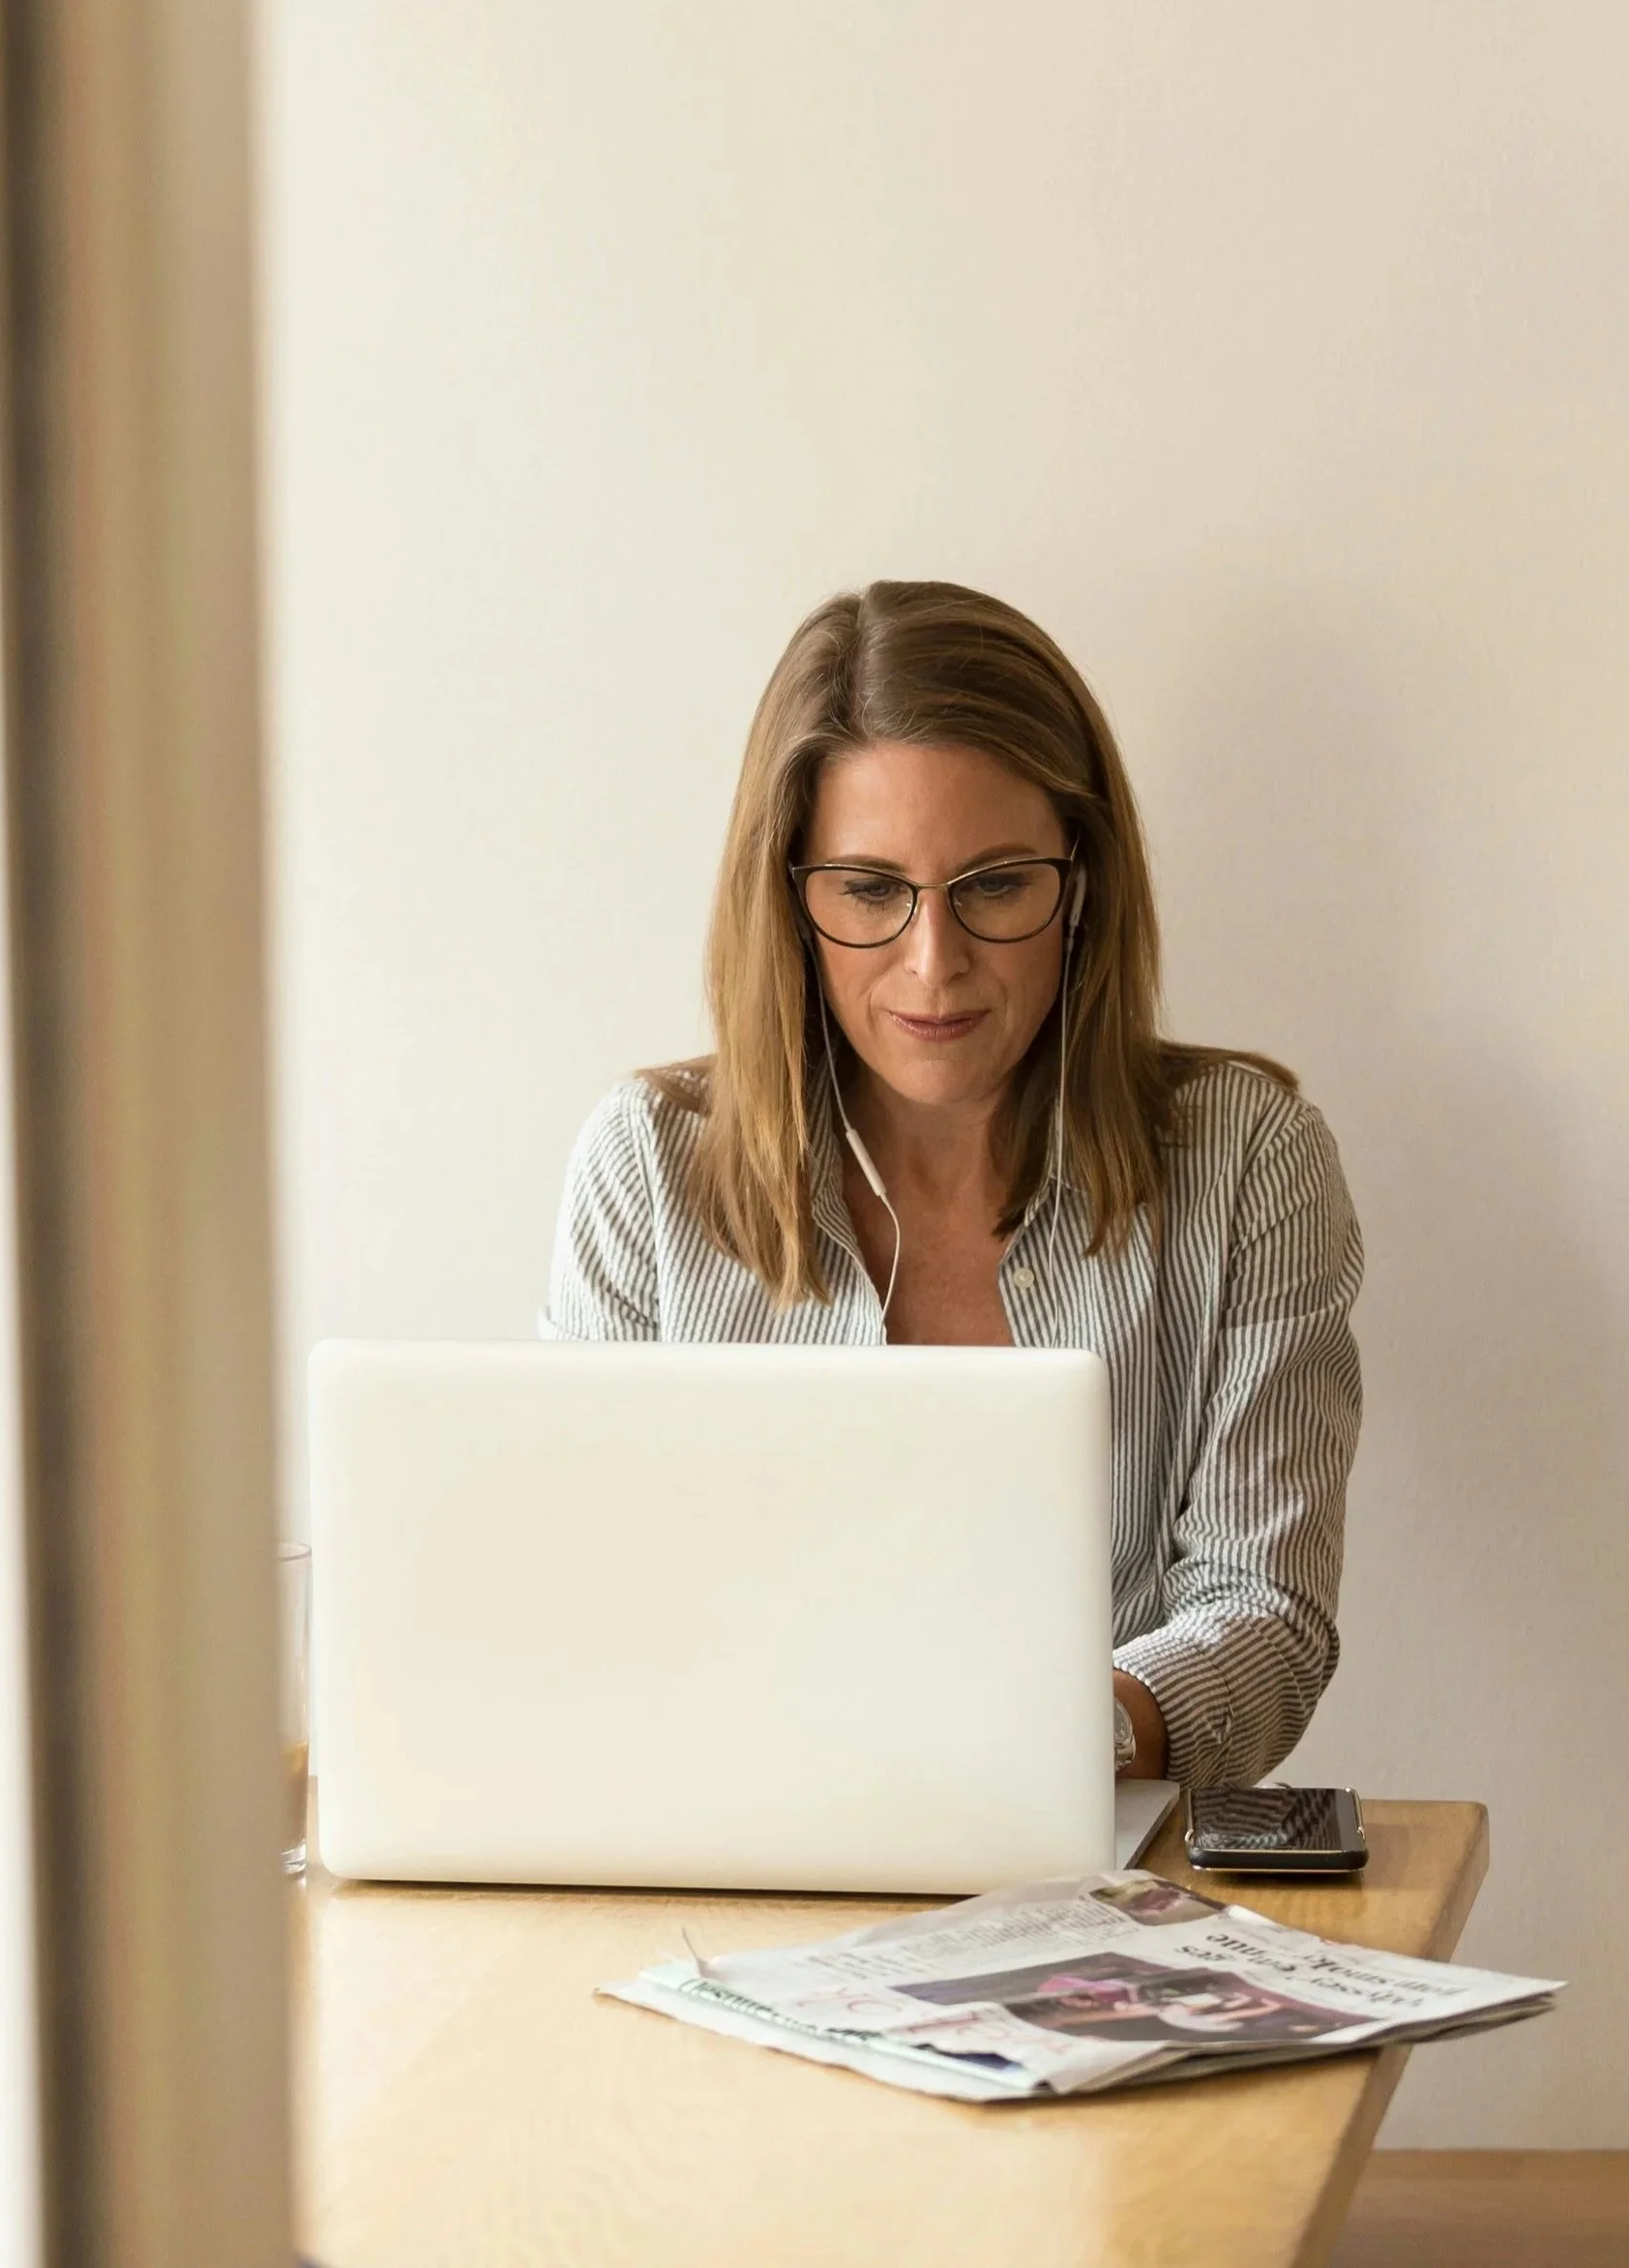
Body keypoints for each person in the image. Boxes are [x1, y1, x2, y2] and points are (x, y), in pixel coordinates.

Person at [539, 578, 1363, 1790]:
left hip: (1099, 1876)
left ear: (1078, 883)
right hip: (724, 1854)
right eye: (870, 891)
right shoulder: (647, 1167)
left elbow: (1266, 1617)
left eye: (994, 886)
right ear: (789, 898)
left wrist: (1034, 1748)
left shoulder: (1246, 1160)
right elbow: (585, 1607)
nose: (935, 965)